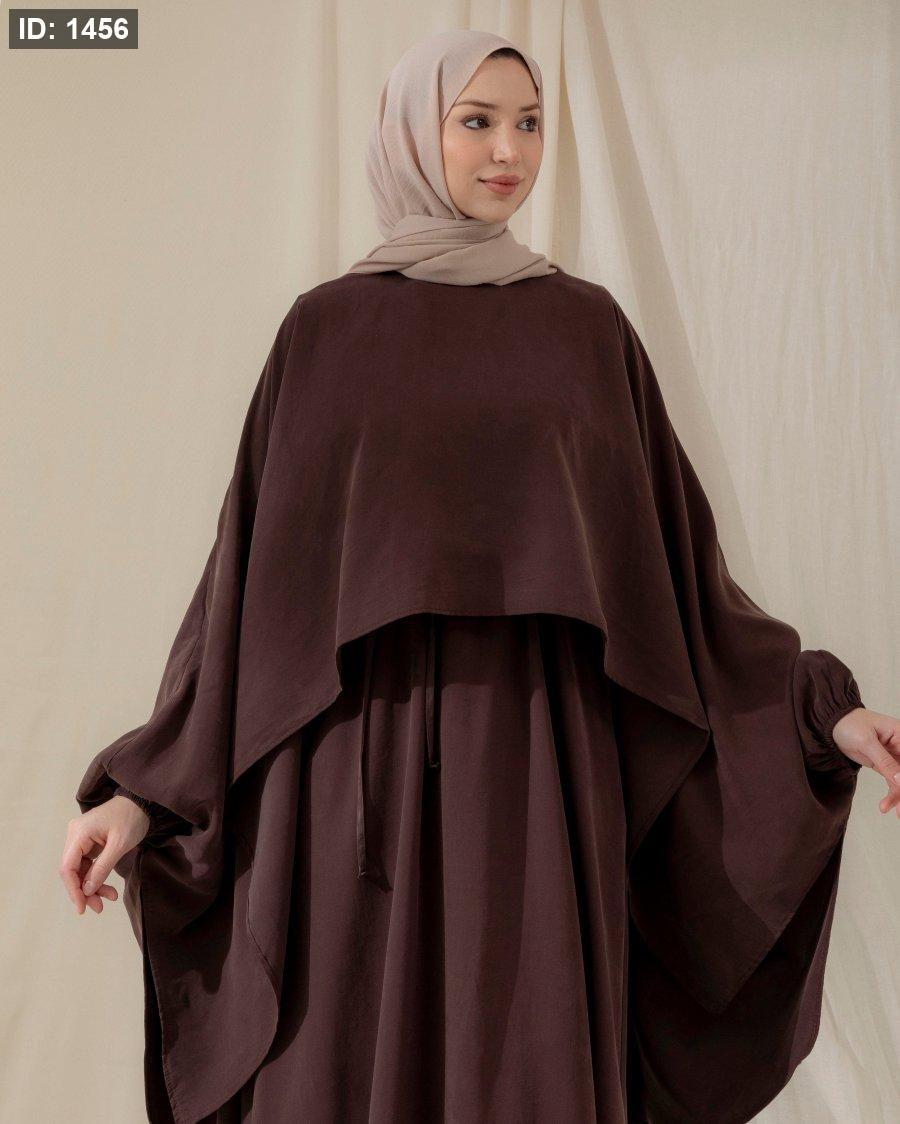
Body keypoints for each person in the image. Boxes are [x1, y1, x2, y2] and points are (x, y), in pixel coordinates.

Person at [61, 28, 898, 1124]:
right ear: (415, 132)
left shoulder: (587, 332)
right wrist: (144, 795)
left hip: (539, 773)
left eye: (530, 122)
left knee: (524, 1055)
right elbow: (246, 597)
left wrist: (819, 712)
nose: (510, 150)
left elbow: (684, 583)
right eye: (478, 120)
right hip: (345, 788)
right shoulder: (324, 333)